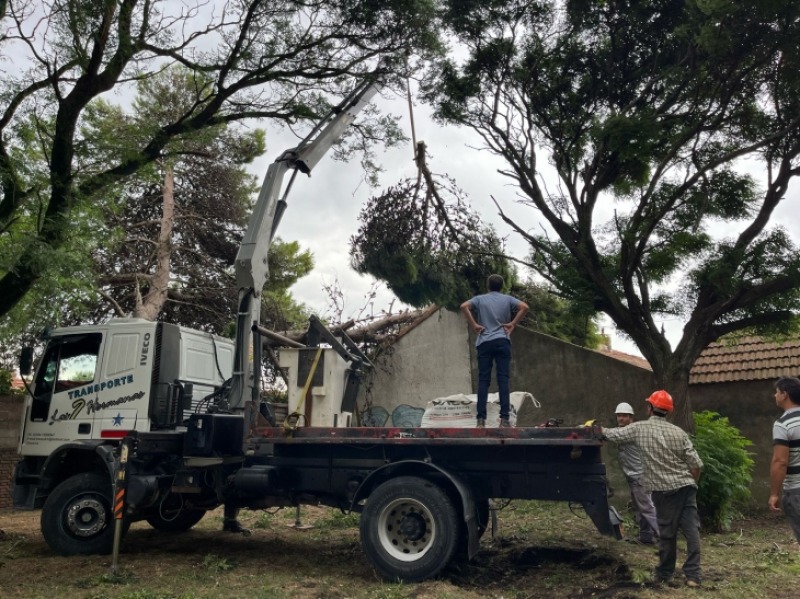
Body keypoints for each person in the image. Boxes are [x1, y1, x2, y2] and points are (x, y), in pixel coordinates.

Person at [601, 390, 704, 587]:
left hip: (663, 490)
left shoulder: (639, 429)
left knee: (667, 532)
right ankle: (693, 576)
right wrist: (692, 483)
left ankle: (665, 573)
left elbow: (613, 434)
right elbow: (696, 464)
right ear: (669, 412)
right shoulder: (679, 432)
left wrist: (596, 429)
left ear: (649, 409)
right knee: (692, 530)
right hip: (687, 487)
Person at [460, 274, 529, 428]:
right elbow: (524, 307)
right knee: (503, 379)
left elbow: (464, 306)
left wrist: (474, 325)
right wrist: (512, 323)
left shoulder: (479, 299)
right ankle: (504, 420)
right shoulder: (508, 299)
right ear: (502, 286)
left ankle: (480, 420)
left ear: (488, 285)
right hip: (502, 341)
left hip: (484, 342)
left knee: (483, 381)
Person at [613, 401, 660, 545]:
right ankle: (646, 537)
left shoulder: (631, 430)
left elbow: (611, 435)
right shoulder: (623, 431)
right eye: (619, 416)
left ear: (631, 418)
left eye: (624, 416)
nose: (621, 418)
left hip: (640, 476)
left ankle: (665, 539)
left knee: (647, 508)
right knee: (640, 508)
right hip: (634, 476)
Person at [769, 376, 800, 545]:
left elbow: (780, 461)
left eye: (776, 392)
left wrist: (774, 493)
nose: (774, 395)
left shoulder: (783, 424)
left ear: (785, 395)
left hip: (797, 490)